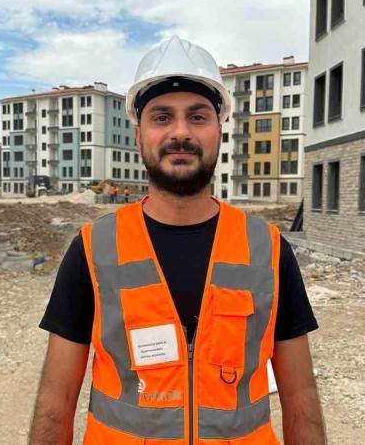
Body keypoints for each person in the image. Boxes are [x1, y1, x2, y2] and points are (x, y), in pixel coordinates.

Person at [30, 36, 326, 445]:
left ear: (220, 131)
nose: (181, 132)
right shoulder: (93, 248)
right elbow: (55, 401)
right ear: (139, 135)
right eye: (162, 117)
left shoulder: (269, 249)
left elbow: (301, 396)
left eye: (198, 117)